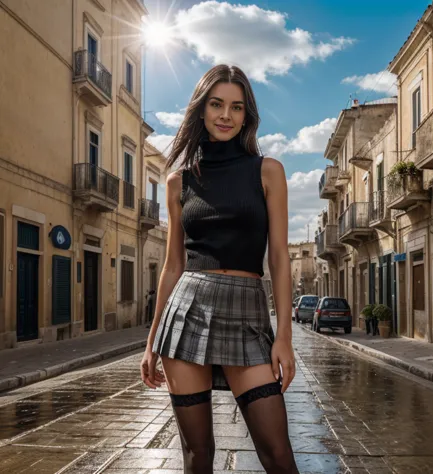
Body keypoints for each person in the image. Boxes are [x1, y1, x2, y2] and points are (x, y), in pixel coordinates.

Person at [140, 64, 299, 474]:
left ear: (248, 115)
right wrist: (152, 339)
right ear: (201, 109)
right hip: (188, 309)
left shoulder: (268, 171)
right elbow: (174, 265)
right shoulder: (179, 182)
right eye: (216, 104)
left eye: (236, 107)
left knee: (278, 455)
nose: (226, 115)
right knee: (197, 455)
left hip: (247, 312)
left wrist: (284, 336)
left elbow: (279, 258)